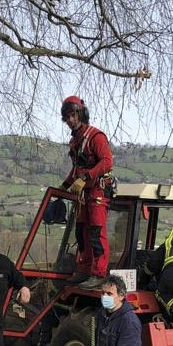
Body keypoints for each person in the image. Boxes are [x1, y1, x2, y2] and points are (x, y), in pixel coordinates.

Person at [61, 95, 113, 290]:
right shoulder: (75, 141)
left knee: (96, 231)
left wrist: (85, 178)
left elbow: (107, 162)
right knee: (81, 232)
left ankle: (99, 273)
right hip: (83, 194)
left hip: (97, 190)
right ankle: (83, 269)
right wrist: (64, 186)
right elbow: (76, 168)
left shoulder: (96, 137)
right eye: (67, 117)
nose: (70, 120)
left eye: (73, 115)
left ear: (81, 114)